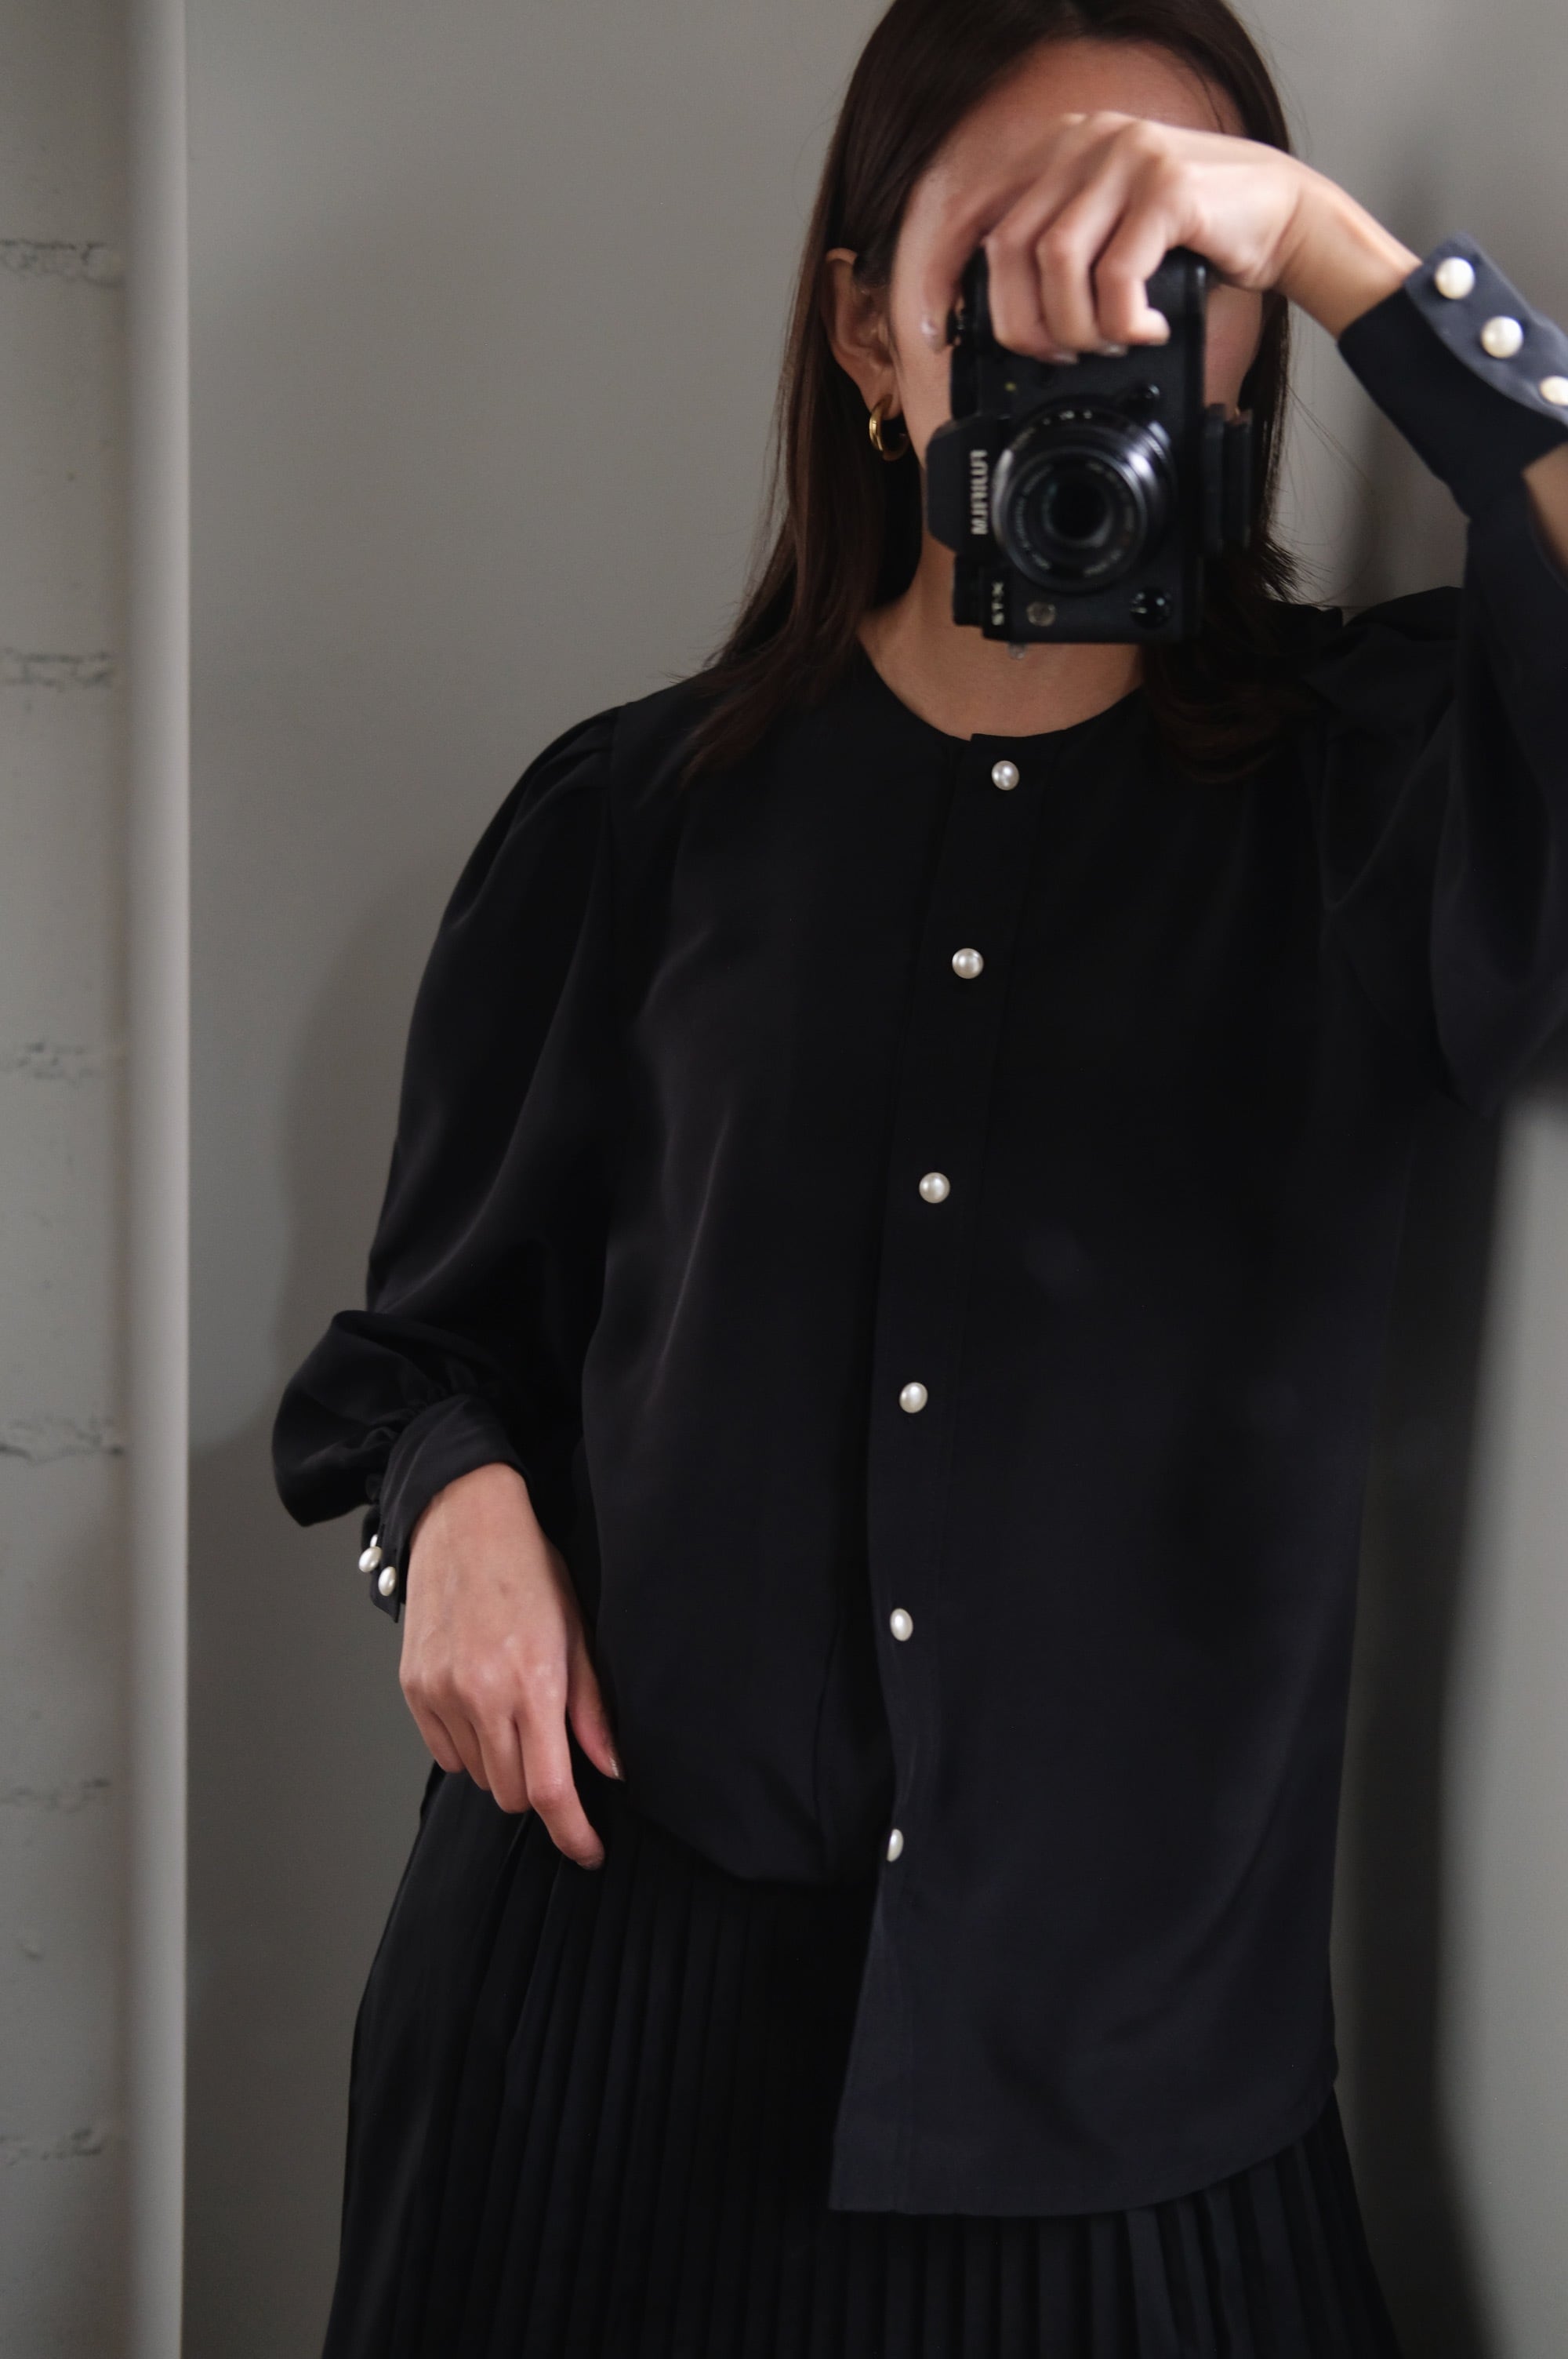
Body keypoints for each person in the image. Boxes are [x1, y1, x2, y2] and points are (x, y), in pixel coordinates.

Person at [273, 0, 1568, 2350]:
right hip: (584, 2047)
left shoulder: (1378, 794)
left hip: (1134, 2120)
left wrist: (1347, 254)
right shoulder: (629, 823)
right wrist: (449, 1515)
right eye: (1009, 257)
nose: (1098, 316)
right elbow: (421, 1357)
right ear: (872, 329)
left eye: (1180, 265)